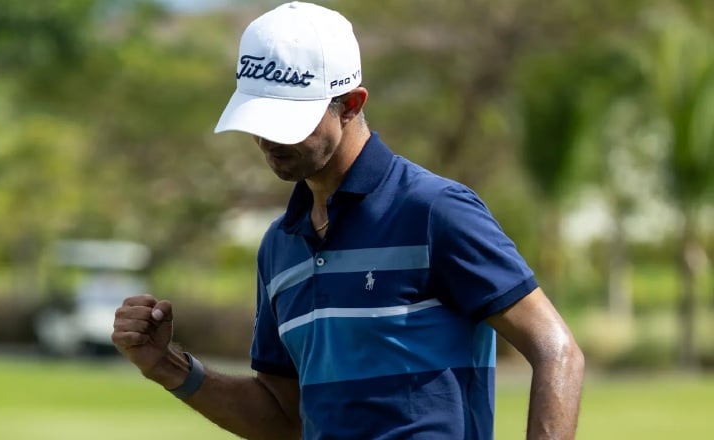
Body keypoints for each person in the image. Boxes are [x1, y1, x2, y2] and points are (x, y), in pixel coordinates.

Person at [111, 2, 584, 439]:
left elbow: (556, 350)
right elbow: (285, 419)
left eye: (288, 120)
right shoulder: (279, 245)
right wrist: (169, 368)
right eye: (259, 118)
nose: (267, 139)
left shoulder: (435, 210)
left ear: (352, 104)